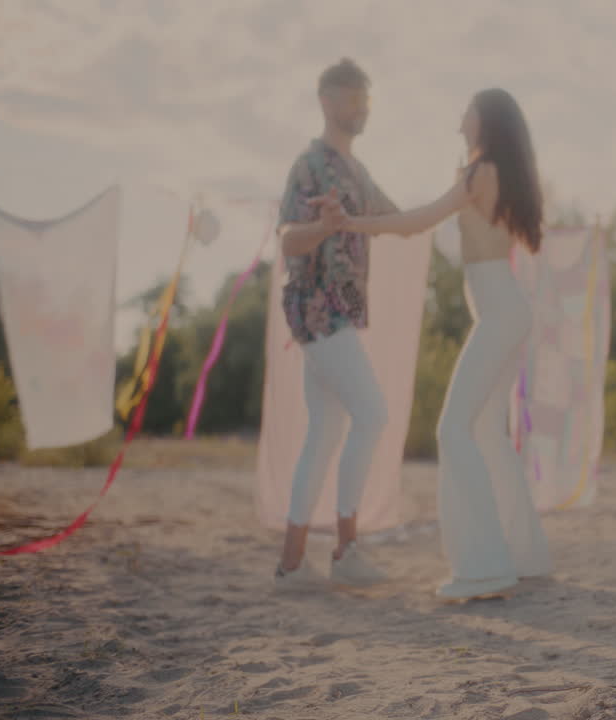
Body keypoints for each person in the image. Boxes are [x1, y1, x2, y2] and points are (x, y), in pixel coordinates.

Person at [314, 87, 551, 599]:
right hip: (506, 310)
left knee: (452, 430)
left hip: (500, 314)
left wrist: (352, 223)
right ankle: (523, 553)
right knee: (485, 430)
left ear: (483, 119)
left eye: (466, 108)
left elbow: (416, 223)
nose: (459, 116)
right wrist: (371, 218)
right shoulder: (488, 171)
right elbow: (415, 218)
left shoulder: (479, 171)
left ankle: (485, 567)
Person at [272, 58, 399, 591]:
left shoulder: (358, 172)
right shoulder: (310, 165)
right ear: (327, 99)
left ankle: (293, 565)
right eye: (354, 96)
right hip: (318, 308)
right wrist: (321, 226)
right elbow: (286, 241)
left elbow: (398, 219)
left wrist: (460, 201)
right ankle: (346, 549)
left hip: (342, 310)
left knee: (325, 434)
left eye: (367, 97)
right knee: (371, 412)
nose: (363, 105)